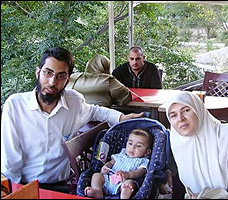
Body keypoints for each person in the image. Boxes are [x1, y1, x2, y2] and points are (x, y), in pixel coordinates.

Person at [1, 47, 144, 193]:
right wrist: (16, 193)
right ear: (38, 72)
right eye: (48, 73)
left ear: (68, 80)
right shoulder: (15, 106)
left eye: (61, 76)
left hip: (59, 186)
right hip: (22, 185)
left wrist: (121, 117)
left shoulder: (74, 102)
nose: (52, 82)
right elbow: (11, 162)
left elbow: (95, 111)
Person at [164, 91, 228, 199]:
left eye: (186, 110)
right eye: (173, 115)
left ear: (198, 110)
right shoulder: (177, 143)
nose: (180, 119)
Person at [84, 129, 153, 199]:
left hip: (123, 182)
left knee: (130, 184)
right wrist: (105, 167)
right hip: (108, 179)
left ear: (147, 152)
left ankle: (124, 195)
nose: (132, 147)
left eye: (139, 146)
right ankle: (98, 191)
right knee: (96, 175)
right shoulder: (121, 154)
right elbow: (111, 162)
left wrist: (127, 174)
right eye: (130, 143)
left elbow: (141, 172)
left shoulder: (143, 161)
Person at [66, 55, 131, 108]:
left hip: (76, 119)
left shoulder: (74, 77)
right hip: (100, 119)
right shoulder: (107, 80)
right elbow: (124, 98)